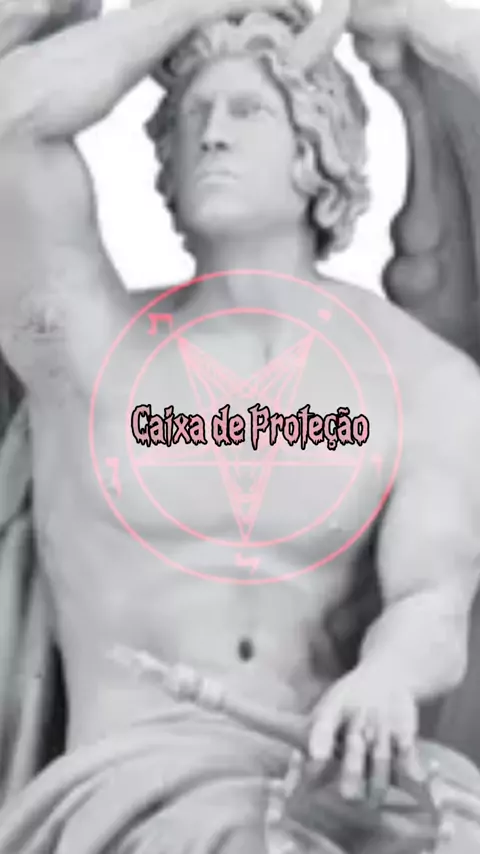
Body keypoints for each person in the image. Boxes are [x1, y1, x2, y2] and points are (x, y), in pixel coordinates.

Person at [1, 0, 480, 851]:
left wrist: (386, 682)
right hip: (141, 788)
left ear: (317, 146)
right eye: (193, 115)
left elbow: (431, 596)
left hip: (345, 790)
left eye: (247, 110)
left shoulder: (420, 377)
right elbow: (10, 122)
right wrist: (187, 7)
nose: (212, 135)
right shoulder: (87, 349)